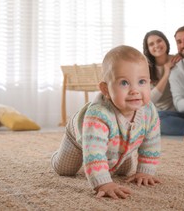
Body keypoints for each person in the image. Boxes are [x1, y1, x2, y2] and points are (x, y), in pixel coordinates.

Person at [51, 45, 161, 199]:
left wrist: (145, 171)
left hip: (120, 142)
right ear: (106, 90)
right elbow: (94, 153)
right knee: (65, 170)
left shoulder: (149, 111)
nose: (135, 90)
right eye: (124, 83)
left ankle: (119, 154)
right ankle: (57, 155)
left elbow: (151, 143)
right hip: (80, 136)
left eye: (142, 81)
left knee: (123, 171)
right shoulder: (98, 115)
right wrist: (103, 183)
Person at [142, 30, 181, 125]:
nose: (156, 45)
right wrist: (166, 73)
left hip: (181, 110)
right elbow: (150, 100)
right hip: (162, 114)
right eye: (151, 44)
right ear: (148, 49)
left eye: (159, 41)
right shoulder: (146, 69)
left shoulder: (177, 60)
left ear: (165, 42)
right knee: (155, 121)